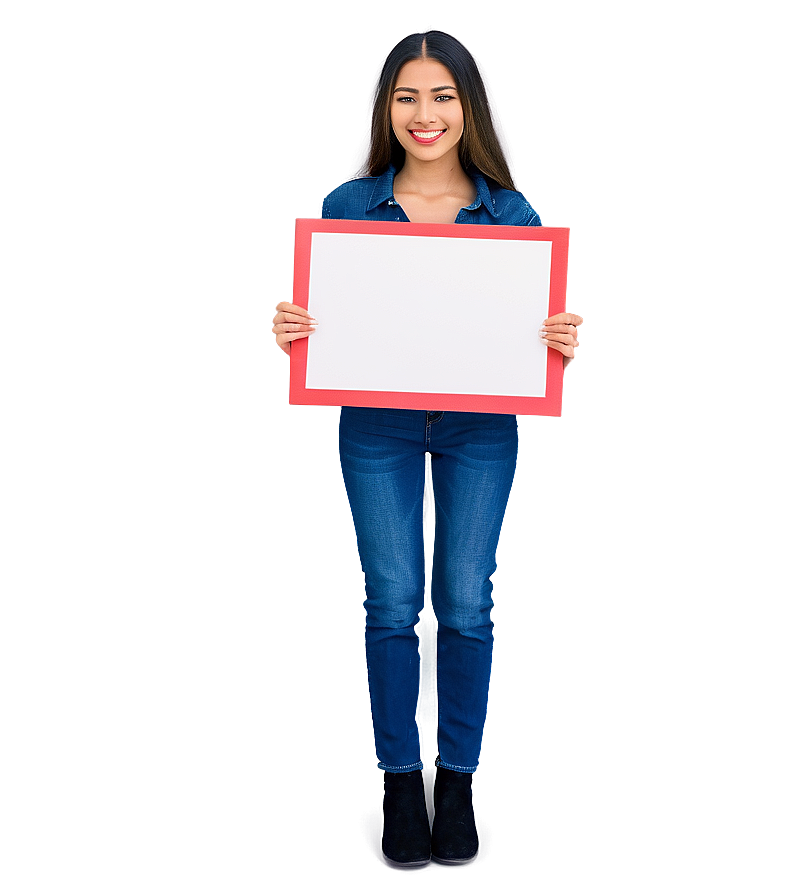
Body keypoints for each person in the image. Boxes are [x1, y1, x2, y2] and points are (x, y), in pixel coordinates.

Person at [272, 30, 583, 867]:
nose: (424, 114)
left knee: (471, 601)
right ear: (387, 109)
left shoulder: (511, 214)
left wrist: (561, 336)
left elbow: (531, 328)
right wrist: (294, 326)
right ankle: (400, 784)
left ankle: (462, 782)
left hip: (481, 426)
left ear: (466, 108)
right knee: (392, 599)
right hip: (377, 423)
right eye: (407, 96)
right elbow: (325, 311)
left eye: (441, 95)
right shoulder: (346, 205)